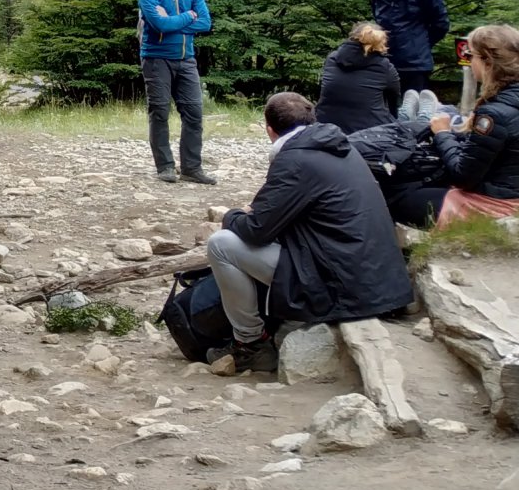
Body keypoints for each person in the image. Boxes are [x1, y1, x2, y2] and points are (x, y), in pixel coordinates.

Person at [203, 92, 414, 375]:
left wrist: (233, 215)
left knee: (221, 244)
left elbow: (256, 231)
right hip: (379, 283)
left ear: (269, 130)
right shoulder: (341, 146)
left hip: (343, 289)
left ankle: (251, 344)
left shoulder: (294, 160)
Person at [390, 24, 519, 228]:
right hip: (508, 191)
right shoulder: (507, 104)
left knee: (398, 193)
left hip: (498, 205)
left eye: (470, 55)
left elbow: (463, 177)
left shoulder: (494, 115)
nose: (469, 60)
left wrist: (442, 132)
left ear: (487, 61)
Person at [137, 0, 216, 186]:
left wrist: (174, 21)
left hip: (186, 59)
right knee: (160, 112)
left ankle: (192, 168)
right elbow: (159, 24)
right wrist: (189, 16)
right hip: (156, 59)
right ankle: (165, 167)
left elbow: (205, 22)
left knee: (194, 113)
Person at [370, 0, 449, 116]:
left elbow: (441, 23)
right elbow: (377, 15)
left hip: (415, 62)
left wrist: (420, 43)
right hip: (385, 57)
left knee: (413, 110)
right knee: (386, 110)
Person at [315, 21, 402, 134]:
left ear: (352, 37)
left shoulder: (332, 59)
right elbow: (394, 98)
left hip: (327, 127)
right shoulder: (385, 67)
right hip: (368, 131)